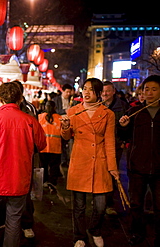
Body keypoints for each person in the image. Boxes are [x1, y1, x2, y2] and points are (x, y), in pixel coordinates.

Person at [0, 82, 46, 247]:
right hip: (20, 177)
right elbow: (41, 144)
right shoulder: (30, 121)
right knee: (14, 219)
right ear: (20, 99)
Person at [60, 78, 119, 247]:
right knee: (79, 205)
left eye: (91, 90)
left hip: (100, 162)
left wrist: (113, 167)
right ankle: (79, 236)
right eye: (84, 89)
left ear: (99, 94)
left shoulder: (108, 114)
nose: (86, 93)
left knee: (100, 205)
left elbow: (109, 142)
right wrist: (65, 127)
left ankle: (95, 230)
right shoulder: (73, 111)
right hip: (80, 161)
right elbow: (66, 137)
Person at [118, 75, 160, 247]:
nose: (149, 93)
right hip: (137, 167)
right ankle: (137, 233)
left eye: (154, 89)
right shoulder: (135, 112)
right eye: (146, 89)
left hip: (159, 168)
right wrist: (123, 126)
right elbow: (123, 138)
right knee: (136, 204)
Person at [101, 81, 129, 215]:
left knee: (112, 173)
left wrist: (123, 136)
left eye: (107, 91)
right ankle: (99, 199)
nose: (105, 94)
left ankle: (109, 203)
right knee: (100, 172)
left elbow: (128, 128)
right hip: (100, 145)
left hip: (115, 145)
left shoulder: (123, 106)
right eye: (102, 91)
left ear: (113, 92)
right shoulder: (97, 106)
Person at [38, 100, 62, 187]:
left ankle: (44, 181)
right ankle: (52, 183)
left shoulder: (40, 117)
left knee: (43, 165)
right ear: (55, 107)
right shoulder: (60, 118)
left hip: (43, 147)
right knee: (54, 166)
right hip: (55, 147)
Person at [53, 83, 73, 168]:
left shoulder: (72, 100)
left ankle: (68, 160)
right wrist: (65, 110)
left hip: (70, 124)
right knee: (61, 143)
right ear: (63, 91)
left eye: (70, 92)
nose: (68, 94)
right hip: (59, 123)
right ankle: (63, 160)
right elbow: (55, 111)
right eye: (67, 92)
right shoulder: (56, 100)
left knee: (69, 143)